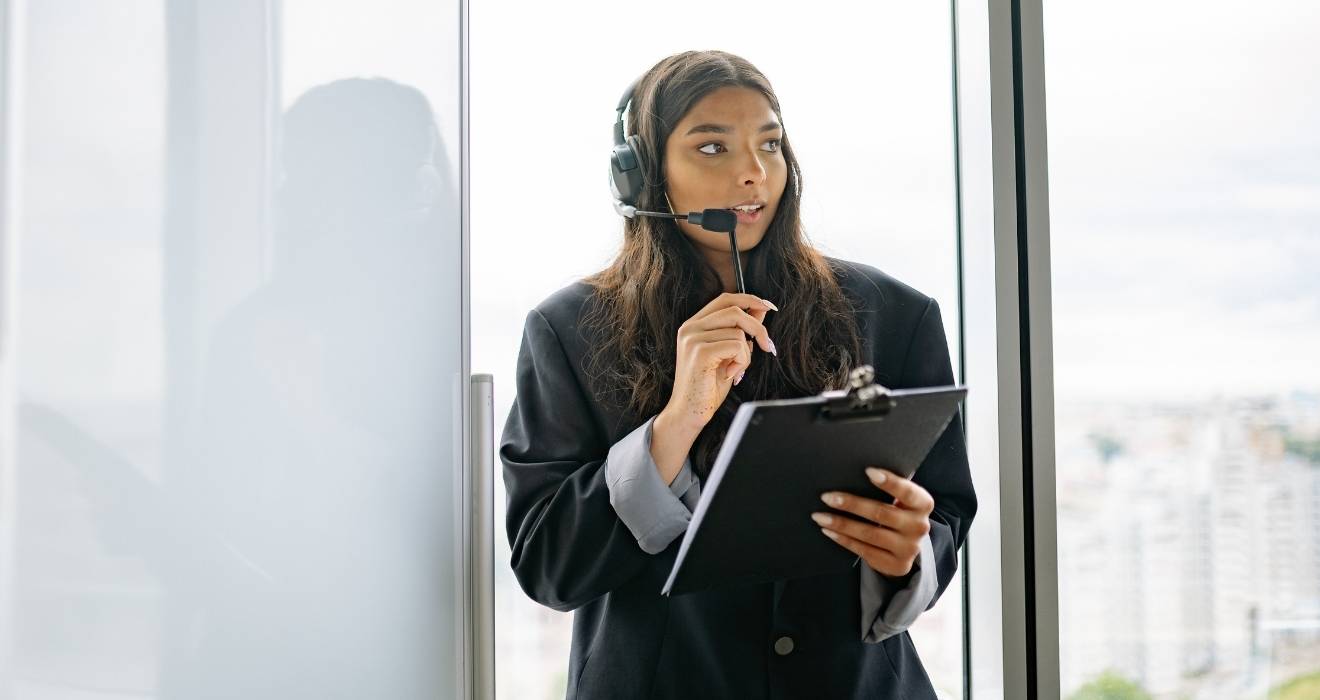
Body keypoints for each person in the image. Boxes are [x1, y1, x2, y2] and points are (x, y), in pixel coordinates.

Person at [500, 50, 976, 699]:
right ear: (643, 173)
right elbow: (548, 564)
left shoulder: (895, 316)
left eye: (770, 143)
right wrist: (676, 423)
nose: (754, 173)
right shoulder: (569, 330)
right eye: (713, 147)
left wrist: (909, 556)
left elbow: (945, 507)